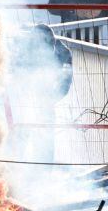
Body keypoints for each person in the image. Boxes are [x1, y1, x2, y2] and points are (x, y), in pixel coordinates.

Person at [7, 24, 73, 163]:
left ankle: (44, 167)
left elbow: (66, 82)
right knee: (20, 133)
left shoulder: (64, 53)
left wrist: (51, 99)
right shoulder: (21, 48)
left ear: (53, 42)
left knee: (45, 137)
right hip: (23, 98)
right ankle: (14, 165)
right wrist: (20, 95)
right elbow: (12, 72)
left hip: (46, 98)